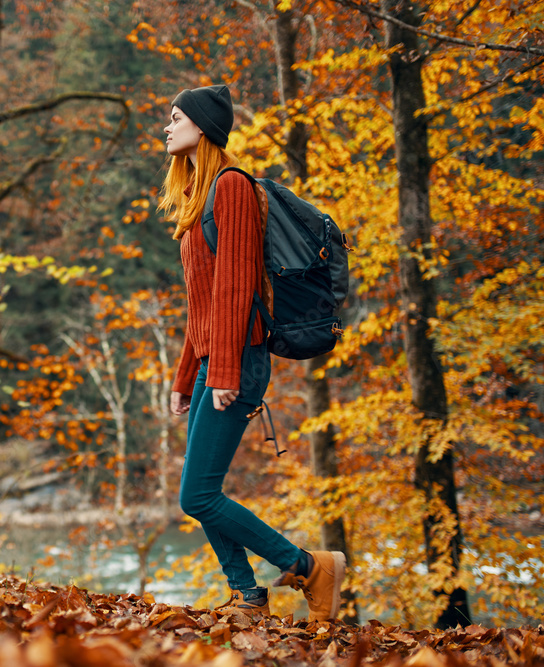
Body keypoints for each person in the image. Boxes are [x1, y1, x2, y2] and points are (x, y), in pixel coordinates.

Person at [159, 84, 345, 621]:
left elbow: (238, 288)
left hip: (238, 359)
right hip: (215, 361)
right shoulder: (200, 199)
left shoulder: (233, 187)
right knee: (201, 489)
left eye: (175, 118)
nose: (167, 128)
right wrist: (184, 374)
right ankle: (247, 596)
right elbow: (203, 304)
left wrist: (223, 371)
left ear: (202, 126)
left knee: (196, 497)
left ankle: (310, 568)